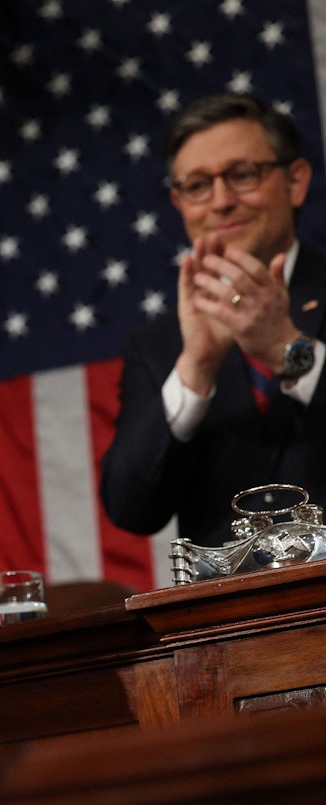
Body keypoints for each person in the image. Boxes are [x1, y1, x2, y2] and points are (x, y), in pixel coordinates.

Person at [101, 92, 326, 548]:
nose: (220, 202)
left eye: (242, 175)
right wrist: (195, 370)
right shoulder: (160, 344)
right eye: (198, 185)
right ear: (179, 202)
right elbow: (130, 508)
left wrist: (289, 351)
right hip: (229, 594)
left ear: (296, 181)